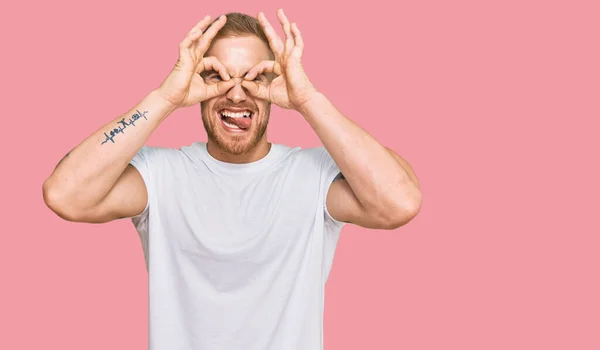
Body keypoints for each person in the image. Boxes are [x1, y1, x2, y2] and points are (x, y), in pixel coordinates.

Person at [42, 9, 422, 350]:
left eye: (255, 76)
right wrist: (164, 98)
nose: (237, 93)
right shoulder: (160, 175)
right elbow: (65, 194)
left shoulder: (314, 175)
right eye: (218, 76)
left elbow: (400, 202)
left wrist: (308, 99)